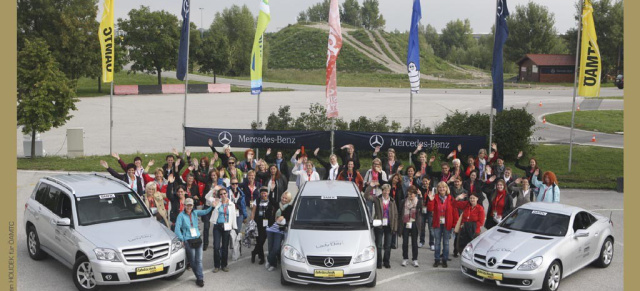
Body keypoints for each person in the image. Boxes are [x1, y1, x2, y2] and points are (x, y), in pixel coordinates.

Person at [174, 198, 213, 287]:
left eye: (190, 205)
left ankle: (200, 278)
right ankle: (198, 276)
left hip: (197, 239)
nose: (189, 207)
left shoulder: (195, 212)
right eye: (187, 205)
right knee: (192, 261)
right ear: (184, 205)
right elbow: (177, 229)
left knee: (198, 260)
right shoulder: (181, 215)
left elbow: (205, 211)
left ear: (192, 206)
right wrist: (182, 239)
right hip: (188, 240)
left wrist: (212, 206)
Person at [364, 184, 397, 269]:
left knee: (388, 245)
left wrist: (395, 227)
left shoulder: (392, 201)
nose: (386, 192)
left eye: (388, 190)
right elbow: (366, 196)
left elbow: (396, 214)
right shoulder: (377, 199)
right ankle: (379, 262)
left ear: (389, 192)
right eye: (384, 190)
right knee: (378, 245)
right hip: (379, 225)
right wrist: (370, 186)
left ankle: (386, 261)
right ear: (382, 191)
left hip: (389, 225)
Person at [427, 181, 459, 268]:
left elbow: (455, 213)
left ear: (446, 188)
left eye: (443, 187)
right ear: (438, 189)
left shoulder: (451, 198)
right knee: (437, 242)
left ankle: (445, 259)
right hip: (437, 223)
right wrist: (430, 200)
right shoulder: (435, 197)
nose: (442, 189)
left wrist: (454, 225)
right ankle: (437, 260)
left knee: (446, 243)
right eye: (440, 187)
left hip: (447, 224)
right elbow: (430, 209)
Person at [208, 188, 238, 273]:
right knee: (216, 246)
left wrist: (235, 228)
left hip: (227, 227)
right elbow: (207, 197)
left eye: (224, 193)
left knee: (225, 247)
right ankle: (217, 265)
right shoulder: (217, 202)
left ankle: (224, 265)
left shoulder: (231, 204)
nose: (223, 195)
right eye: (221, 194)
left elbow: (234, 217)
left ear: (227, 194)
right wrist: (213, 189)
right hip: (217, 226)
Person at [265, 191, 293, 271]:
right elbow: (270, 199)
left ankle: (269, 258)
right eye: (283, 197)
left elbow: (288, 217)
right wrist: (272, 190)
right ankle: (273, 264)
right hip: (271, 228)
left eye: (286, 198)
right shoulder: (277, 204)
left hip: (279, 230)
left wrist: (283, 216)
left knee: (276, 248)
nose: (284, 199)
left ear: (289, 200)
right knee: (270, 247)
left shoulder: (290, 207)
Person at [398, 186, 422, 267]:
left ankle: (415, 259)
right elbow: (400, 212)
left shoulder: (418, 201)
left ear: (415, 194)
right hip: (405, 222)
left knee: (414, 242)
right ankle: (405, 258)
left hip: (414, 223)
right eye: (409, 193)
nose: (410, 195)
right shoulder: (403, 201)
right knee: (405, 242)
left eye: (412, 194)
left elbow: (422, 208)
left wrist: (421, 196)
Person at [250, 187, 271, 265]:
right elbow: (253, 212)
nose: (263, 194)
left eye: (265, 193)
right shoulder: (257, 200)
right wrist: (252, 221)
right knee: (259, 240)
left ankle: (254, 252)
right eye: (262, 193)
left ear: (267, 193)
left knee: (262, 241)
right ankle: (261, 258)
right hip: (258, 223)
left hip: (267, 223)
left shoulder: (270, 201)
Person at [450, 176, 468, 257]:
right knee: (455, 232)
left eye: (458, 182)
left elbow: (467, 203)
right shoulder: (450, 190)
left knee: (461, 234)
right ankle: (455, 250)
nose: (456, 183)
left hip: (461, 214)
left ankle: (459, 249)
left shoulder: (465, 192)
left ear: (461, 182)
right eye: (455, 182)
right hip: (453, 213)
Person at [418, 176, 434, 250]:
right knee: (422, 227)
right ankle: (421, 241)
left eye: (426, 181)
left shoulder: (432, 189)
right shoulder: (420, 189)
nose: (425, 183)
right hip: (422, 209)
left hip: (430, 210)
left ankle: (431, 243)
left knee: (431, 228)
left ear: (429, 181)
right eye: (423, 181)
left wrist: (431, 199)